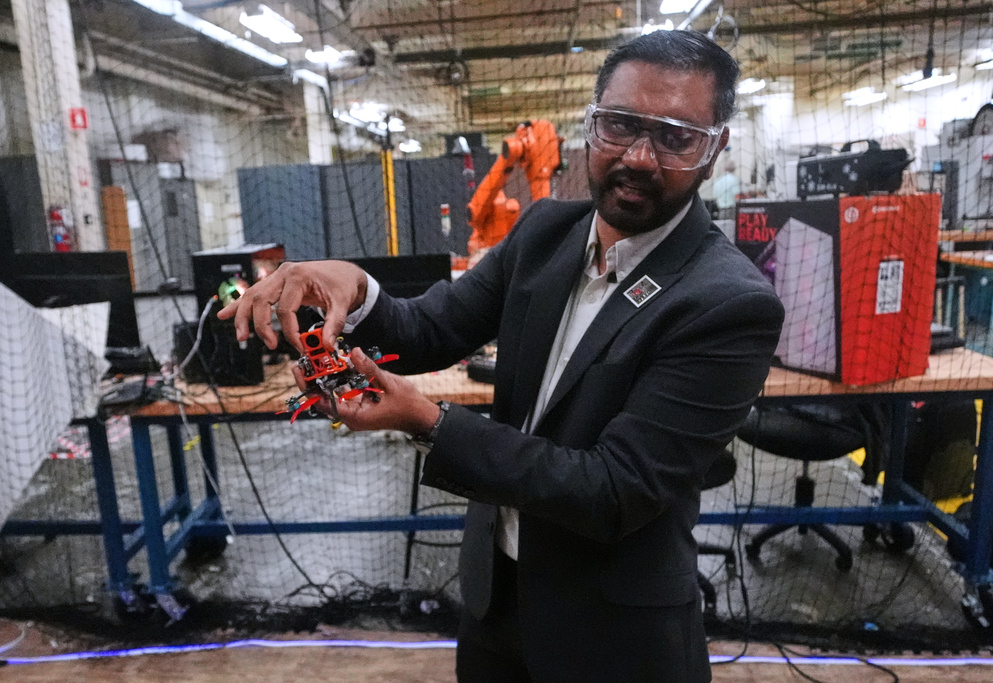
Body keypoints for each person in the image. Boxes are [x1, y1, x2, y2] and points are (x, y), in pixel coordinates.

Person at [219, 29, 784, 683]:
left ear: (715, 150)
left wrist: (428, 422)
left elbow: (612, 489)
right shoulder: (545, 232)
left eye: (675, 137)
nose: (639, 156)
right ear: (590, 126)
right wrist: (353, 285)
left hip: (613, 629)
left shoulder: (728, 302)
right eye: (620, 125)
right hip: (498, 598)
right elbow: (429, 329)